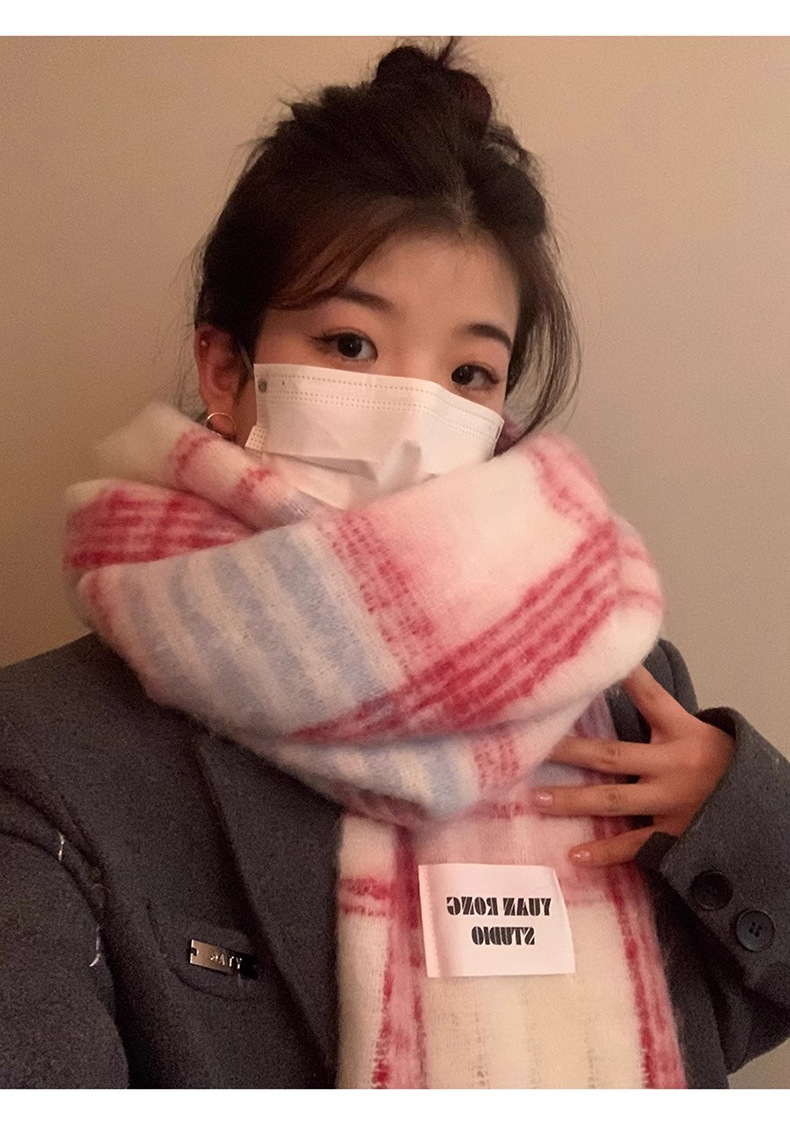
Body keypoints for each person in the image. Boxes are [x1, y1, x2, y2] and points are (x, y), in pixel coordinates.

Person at [1, 39, 788, 1090]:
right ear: (226, 371)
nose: (419, 417)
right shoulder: (53, 748)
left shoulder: (615, 684)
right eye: (351, 346)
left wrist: (734, 815)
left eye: (469, 371)